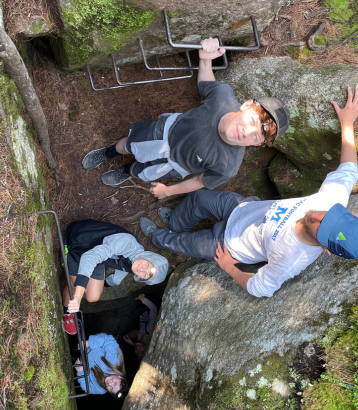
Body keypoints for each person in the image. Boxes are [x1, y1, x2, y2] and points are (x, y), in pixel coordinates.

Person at [139, 86, 358, 298]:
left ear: (325, 248)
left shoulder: (293, 258)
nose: (316, 215)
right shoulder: (331, 201)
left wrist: (228, 266)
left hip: (230, 243)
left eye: (321, 226)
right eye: (328, 215)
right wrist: (347, 123)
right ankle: (176, 221)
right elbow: (350, 169)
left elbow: (260, 288)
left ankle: (160, 238)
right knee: (198, 198)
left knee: (186, 243)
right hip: (243, 208)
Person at [82, 38, 290, 199]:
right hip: (164, 132)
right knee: (128, 144)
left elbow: (199, 181)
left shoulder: (228, 166)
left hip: (174, 165)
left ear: (258, 144)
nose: (247, 132)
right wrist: (206, 59)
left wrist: (168, 191)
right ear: (246, 105)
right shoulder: (222, 97)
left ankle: (127, 170)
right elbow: (206, 85)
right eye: (253, 122)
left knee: (142, 170)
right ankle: (110, 152)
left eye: (256, 138)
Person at [62, 219, 168, 334]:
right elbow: (90, 257)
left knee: (93, 297)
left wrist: (112, 282)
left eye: (145, 274)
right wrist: (78, 295)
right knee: (75, 287)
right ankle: (67, 312)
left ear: (141, 279)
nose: (142, 269)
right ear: (149, 257)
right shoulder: (128, 243)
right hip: (79, 241)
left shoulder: (135, 263)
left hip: (97, 255)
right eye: (148, 264)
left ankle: (78, 273)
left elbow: (121, 270)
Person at [74, 333, 128, 398]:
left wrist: (80, 372)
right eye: (115, 383)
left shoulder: (100, 389)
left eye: (111, 389)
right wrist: (89, 343)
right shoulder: (116, 360)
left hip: (79, 360)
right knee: (74, 334)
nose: (110, 384)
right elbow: (108, 340)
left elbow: (87, 388)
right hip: (87, 342)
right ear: (120, 377)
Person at [123, 294, 158, 358]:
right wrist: (143, 300)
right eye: (142, 352)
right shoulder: (150, 330)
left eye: (137, 353)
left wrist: (134, 344)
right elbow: (154, 310)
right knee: (133, 308)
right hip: (146, 311)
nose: (138, 350)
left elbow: (125, 336)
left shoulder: (140, 339)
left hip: (141, 322)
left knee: (127, 336)